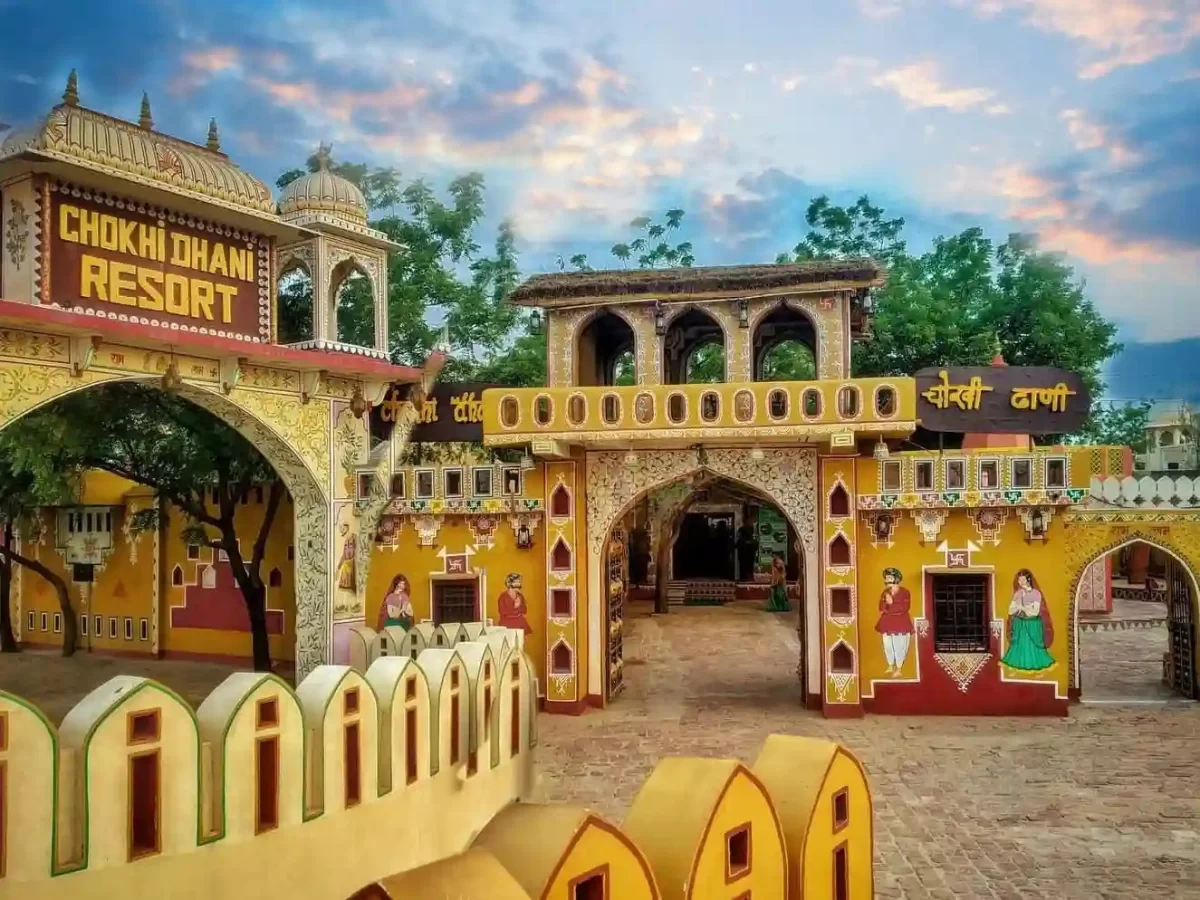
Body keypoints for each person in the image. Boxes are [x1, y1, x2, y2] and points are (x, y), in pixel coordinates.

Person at [1001, 568, 1055, 672]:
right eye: (1019, 580)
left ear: (1028, 580)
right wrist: (1023, 608)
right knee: (1019, 650)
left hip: (1032, 625)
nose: (1020, 582)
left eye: (1022, 580)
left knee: (1033, 651)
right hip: (1020, 625)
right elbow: (1011, 610)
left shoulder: (1036, 594)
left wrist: (1021, 608)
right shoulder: (1018, 594)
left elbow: (1034, 612)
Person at [876, 567, 914, 676]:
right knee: (887, 644)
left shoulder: (905, 592)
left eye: (889, 577)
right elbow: (881, 607)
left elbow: (905, 608)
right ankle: (890, 665)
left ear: (896, 579)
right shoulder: (885, 592)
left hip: (900, 622)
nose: (887, 580)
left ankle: (899, 668)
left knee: (899, 645)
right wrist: (887, 602)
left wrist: (891, 603)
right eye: (886, 577)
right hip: (887, 622)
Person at [336, 522, 356, 591]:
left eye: (343, 529)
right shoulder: (345, 542)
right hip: (346, 567)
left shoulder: (354, 537)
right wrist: (338, 568)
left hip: (353, 566)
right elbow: (344, 555)